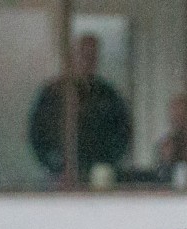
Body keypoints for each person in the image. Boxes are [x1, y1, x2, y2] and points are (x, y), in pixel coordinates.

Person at [28, 34, 132, 182]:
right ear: (73, 57)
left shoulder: (108, 96)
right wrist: (55, 166)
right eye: (84, 55)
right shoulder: (52, 95)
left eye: (93, 56)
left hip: (97, 177)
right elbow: (37, 135)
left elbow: (122, 134)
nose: (88, 61)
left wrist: (105, 165)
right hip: (58, 177)